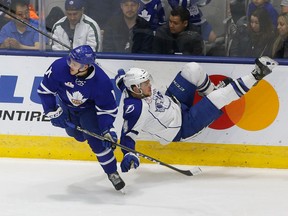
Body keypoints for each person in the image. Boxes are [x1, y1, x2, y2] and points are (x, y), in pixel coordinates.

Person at [114, 56, 278, 173]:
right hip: (183, 126)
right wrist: (128, 153)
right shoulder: (134, 109)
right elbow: (127, 135)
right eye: (144, 84)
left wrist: (120, 77)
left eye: (148, 81)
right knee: (219, 97)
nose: (149, 85)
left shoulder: (131, 88)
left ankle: (213, 92)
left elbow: (122, 82)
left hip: (174, 101)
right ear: (135, 88)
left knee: (192, 69)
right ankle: (257, 74)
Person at [37, 45, 125, 191]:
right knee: (77, 135)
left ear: (86, 66)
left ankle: (112, 172)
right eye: (70, 60)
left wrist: (107, 130)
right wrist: (52, 111)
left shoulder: (101, 82)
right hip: (66, 106)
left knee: (97, 141)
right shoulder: (59, 67)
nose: (70, 65)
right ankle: (81, 132)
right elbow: (45, 91)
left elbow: (107, 110)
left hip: (88, 111)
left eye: (75, 64)